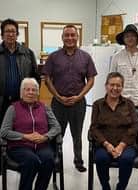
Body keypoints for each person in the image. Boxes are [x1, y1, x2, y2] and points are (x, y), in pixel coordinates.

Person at [0, 18, 40, 176]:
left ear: (17, 34)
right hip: (1, 102)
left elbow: (36, 77)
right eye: (7, 32)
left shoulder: (27, 53)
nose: (10, 34)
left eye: (13, 31)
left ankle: (22, 162)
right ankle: (1, 165)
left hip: (22, 103)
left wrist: (32, 96)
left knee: (22, 132)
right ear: (2, 34)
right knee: (2, 133)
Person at [0, 78, 61, 190]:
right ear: (21, 93)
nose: (30, 92)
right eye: (27, 89)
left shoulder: (44, 107)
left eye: (34, 90)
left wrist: (45, 137)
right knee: (31, 161)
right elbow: (4, 131)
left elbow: (56, 127)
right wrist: (25, 136)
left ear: (38, 93)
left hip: (42, 144)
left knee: (48, 161)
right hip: (20, 146)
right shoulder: (13, 108)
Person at [43, 24, 97, 172]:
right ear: (62, 37)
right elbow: (46, 78)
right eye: (67, 35)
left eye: (73, 35)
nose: (70, 38)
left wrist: (80, 96)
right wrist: (58, 96)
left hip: (78, 103)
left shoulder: (85, 57)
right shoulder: (53, 57)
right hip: (58, 103)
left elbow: (91, 79)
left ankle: (78, 160)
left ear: (77, 37)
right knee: (56, 132)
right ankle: (55, 160)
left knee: (77, 133)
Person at [89, 72, 138, 190]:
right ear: (106, 86)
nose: (115, 88)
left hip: (126, 144)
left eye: (118, 85)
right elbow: (93, 128)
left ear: (122, 87)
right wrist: (106, 144)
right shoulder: (97, 105)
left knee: (126, 159)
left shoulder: (129, 104)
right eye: (112, 85)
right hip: (104, 144)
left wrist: (121, 145)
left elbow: (135, 126)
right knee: (101, 158)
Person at [110, 24, 138, 132]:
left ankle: (136, 149)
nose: (130, 38)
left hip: (137, 101)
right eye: (127, 36)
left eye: (133, 36)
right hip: (120, 100)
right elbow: (111, 79)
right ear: (123, 39)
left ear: (137, 38)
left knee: (136, 131)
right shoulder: (117, 56)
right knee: (118, 129)